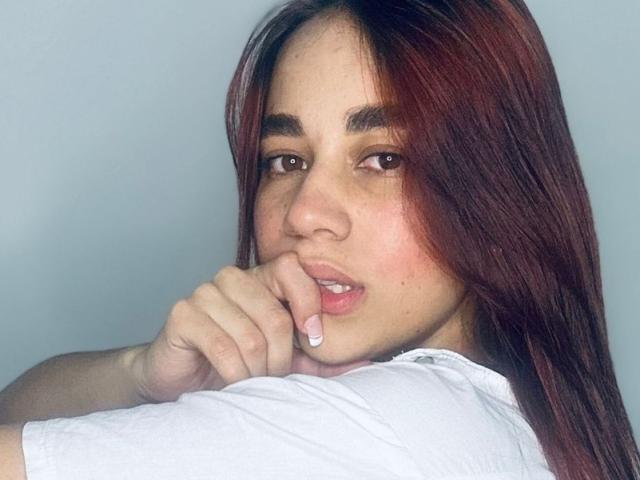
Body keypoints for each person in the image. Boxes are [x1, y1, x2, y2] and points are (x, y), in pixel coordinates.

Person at [0, 0, 638, 478]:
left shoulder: (392, 421)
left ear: (500, 189)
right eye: (285, 160)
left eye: (384, 159)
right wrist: (142, 374)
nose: (304, 214)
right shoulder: (519, 422)